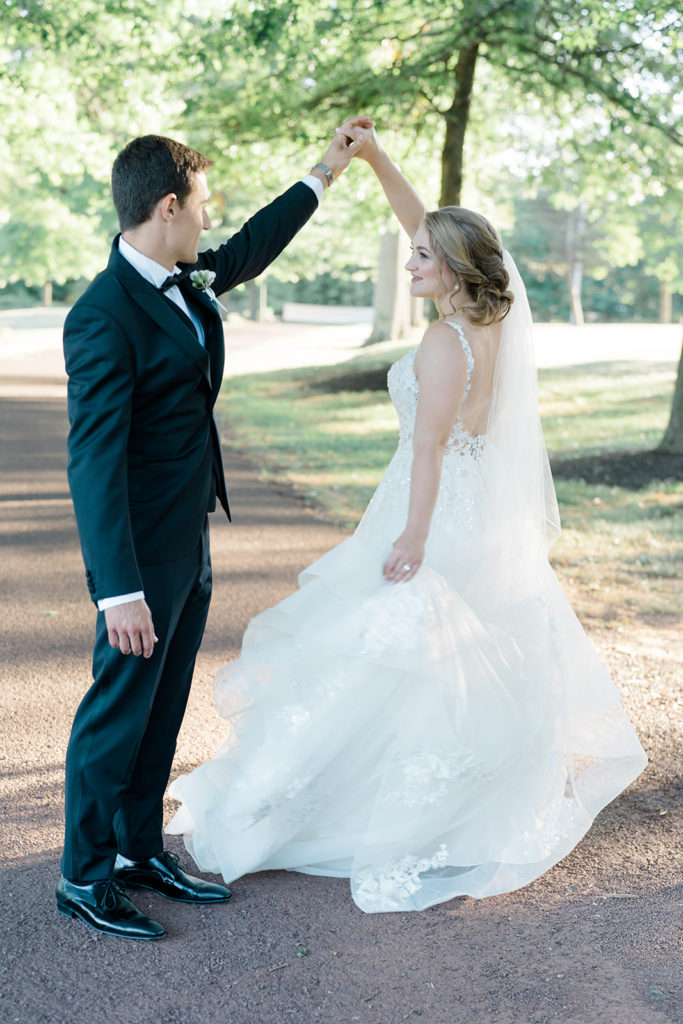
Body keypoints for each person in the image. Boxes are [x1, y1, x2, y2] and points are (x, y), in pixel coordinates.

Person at [166, 120, 647, 913]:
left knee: (371, 660)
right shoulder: (492, 320)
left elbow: (425, 451)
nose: (409, 256)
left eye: (423, 256)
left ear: (452, 269)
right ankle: (436, 798)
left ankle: (335, 809)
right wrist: (376, 161)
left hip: (426, 510)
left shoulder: (440, 345)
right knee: (430, 670)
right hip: (475, 515)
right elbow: (430, 227)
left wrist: (411, 538)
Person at [58, 127, 367, 939]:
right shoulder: (102, 316)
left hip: (188, 535)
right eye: (200, 205)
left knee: (162, 702)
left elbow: (250, 248)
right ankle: (82, 876)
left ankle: (134, 848)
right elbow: (92, 462)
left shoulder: (184, 278)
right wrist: (117, 589)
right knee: (118, 705)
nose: (208, 220)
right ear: (168, 206)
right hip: (139, 552)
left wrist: (324, 172)